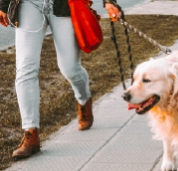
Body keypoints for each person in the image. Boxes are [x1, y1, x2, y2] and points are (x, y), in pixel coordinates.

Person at [0, 0, 120, 158]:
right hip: (28, 4)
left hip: (62, 4)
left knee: (70, 68)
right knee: (25, 69)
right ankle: (31, 133)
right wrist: (3, 5)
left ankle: (83, 99)